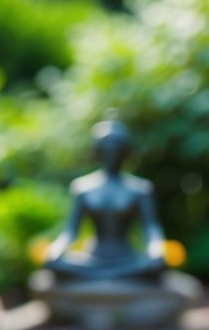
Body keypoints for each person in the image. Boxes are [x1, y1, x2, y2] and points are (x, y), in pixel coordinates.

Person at [44, 120, 166, 281]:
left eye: (116, 144)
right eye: (106, 144)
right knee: (53, 263)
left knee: (157, 265)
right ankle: (112, 277)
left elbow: (152, 229)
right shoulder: (82, 187)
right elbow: (70, 232)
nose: (111, 149)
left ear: (125, 150)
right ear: (97, 150)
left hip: (128, 259)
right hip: (91, 260)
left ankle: (102, 278)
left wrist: (156, 251)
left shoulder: (140, 189)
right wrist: (56, 250)